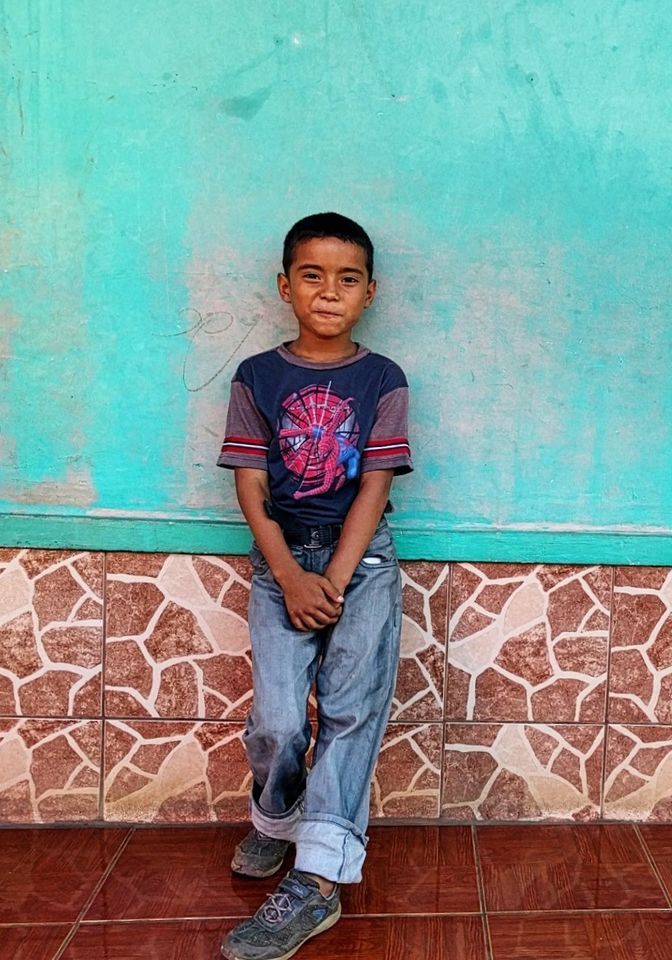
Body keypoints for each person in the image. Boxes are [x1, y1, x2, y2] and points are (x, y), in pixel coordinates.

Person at [216, 212, 411, 960]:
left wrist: (332, 577)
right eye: (312, 275)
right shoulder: (257, 378)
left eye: (347, 278)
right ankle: (277, 816)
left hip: (362, 564)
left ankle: (316, 883)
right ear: (285, 286)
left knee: (350, 712)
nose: (329, 291)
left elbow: (375, 485)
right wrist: (291, 575)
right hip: (280, 564)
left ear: (370, 293)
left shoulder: (382, 379)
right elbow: (250, 483)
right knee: (277, 723)